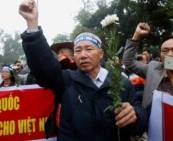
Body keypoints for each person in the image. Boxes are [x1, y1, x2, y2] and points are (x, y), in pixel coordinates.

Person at [18, 1, 148, 141]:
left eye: (89, 49)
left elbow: (141, 120)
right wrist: (32, 25)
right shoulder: (66, 80)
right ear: (74, 56)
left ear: (101, 53)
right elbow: (43, 67)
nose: (83, 55)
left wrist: (135, 116)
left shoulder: (121, 82)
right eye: (78, 50)